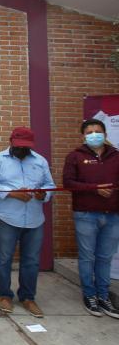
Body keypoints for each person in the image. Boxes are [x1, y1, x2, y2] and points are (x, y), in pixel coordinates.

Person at [0, 127, 55, 318]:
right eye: (18, 146)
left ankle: (27, 297)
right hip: (8, 218)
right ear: (11, 142)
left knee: (31, 261)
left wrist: (43, 194)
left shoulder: (40, 161)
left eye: (26, 147)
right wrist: (13, 193)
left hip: (34, 220)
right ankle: (4, 295)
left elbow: (50, 185)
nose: (21, 150)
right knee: (4, 259)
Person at [63, 118, 119, 319]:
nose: (94, 134)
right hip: (86, 214)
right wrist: (95, 189)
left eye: (98, 131)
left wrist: (111, 192)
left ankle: (104, 296)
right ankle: (90, 295)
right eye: (89, 132)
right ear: (83, 136)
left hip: (112, 215)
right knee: (87, 257)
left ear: (105, 134)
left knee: (105, 257)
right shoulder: (75, 157)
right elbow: (68, 183)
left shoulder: (116, 156)